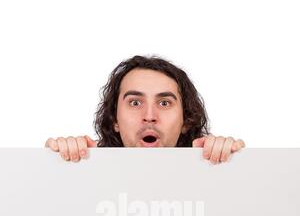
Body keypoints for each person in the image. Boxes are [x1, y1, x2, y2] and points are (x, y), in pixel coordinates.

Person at [45, 55, 245, 164]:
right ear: (115, 119)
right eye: (135, 103)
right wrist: (57, 165)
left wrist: (231, 165)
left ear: (186, 120)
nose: (149, 116)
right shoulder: (86, 178)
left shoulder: (211, 179)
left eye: (164, 103)